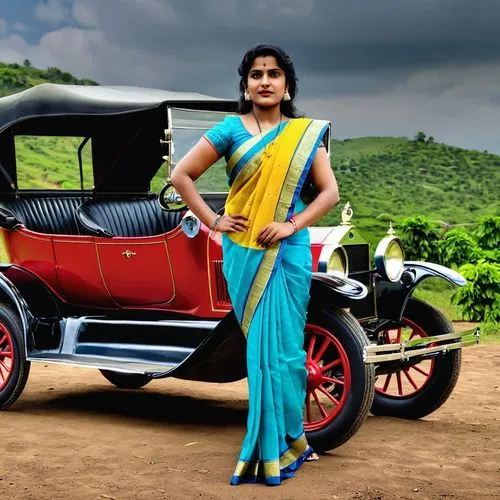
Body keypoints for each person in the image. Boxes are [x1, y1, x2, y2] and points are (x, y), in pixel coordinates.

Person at [171, 43, 339, 486]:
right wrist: (213, 220)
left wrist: (290, 224)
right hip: (244, 250)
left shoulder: (303, 135)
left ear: (287, 86)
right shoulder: (230, 130)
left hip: (288, 252)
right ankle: (273, 443)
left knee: (285, 350)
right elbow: (180, 176)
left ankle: (291, 438)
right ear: (246, 85)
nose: (265, 81)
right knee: (261, 350)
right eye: (256, 74)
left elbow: (329, 194)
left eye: (274, 74)